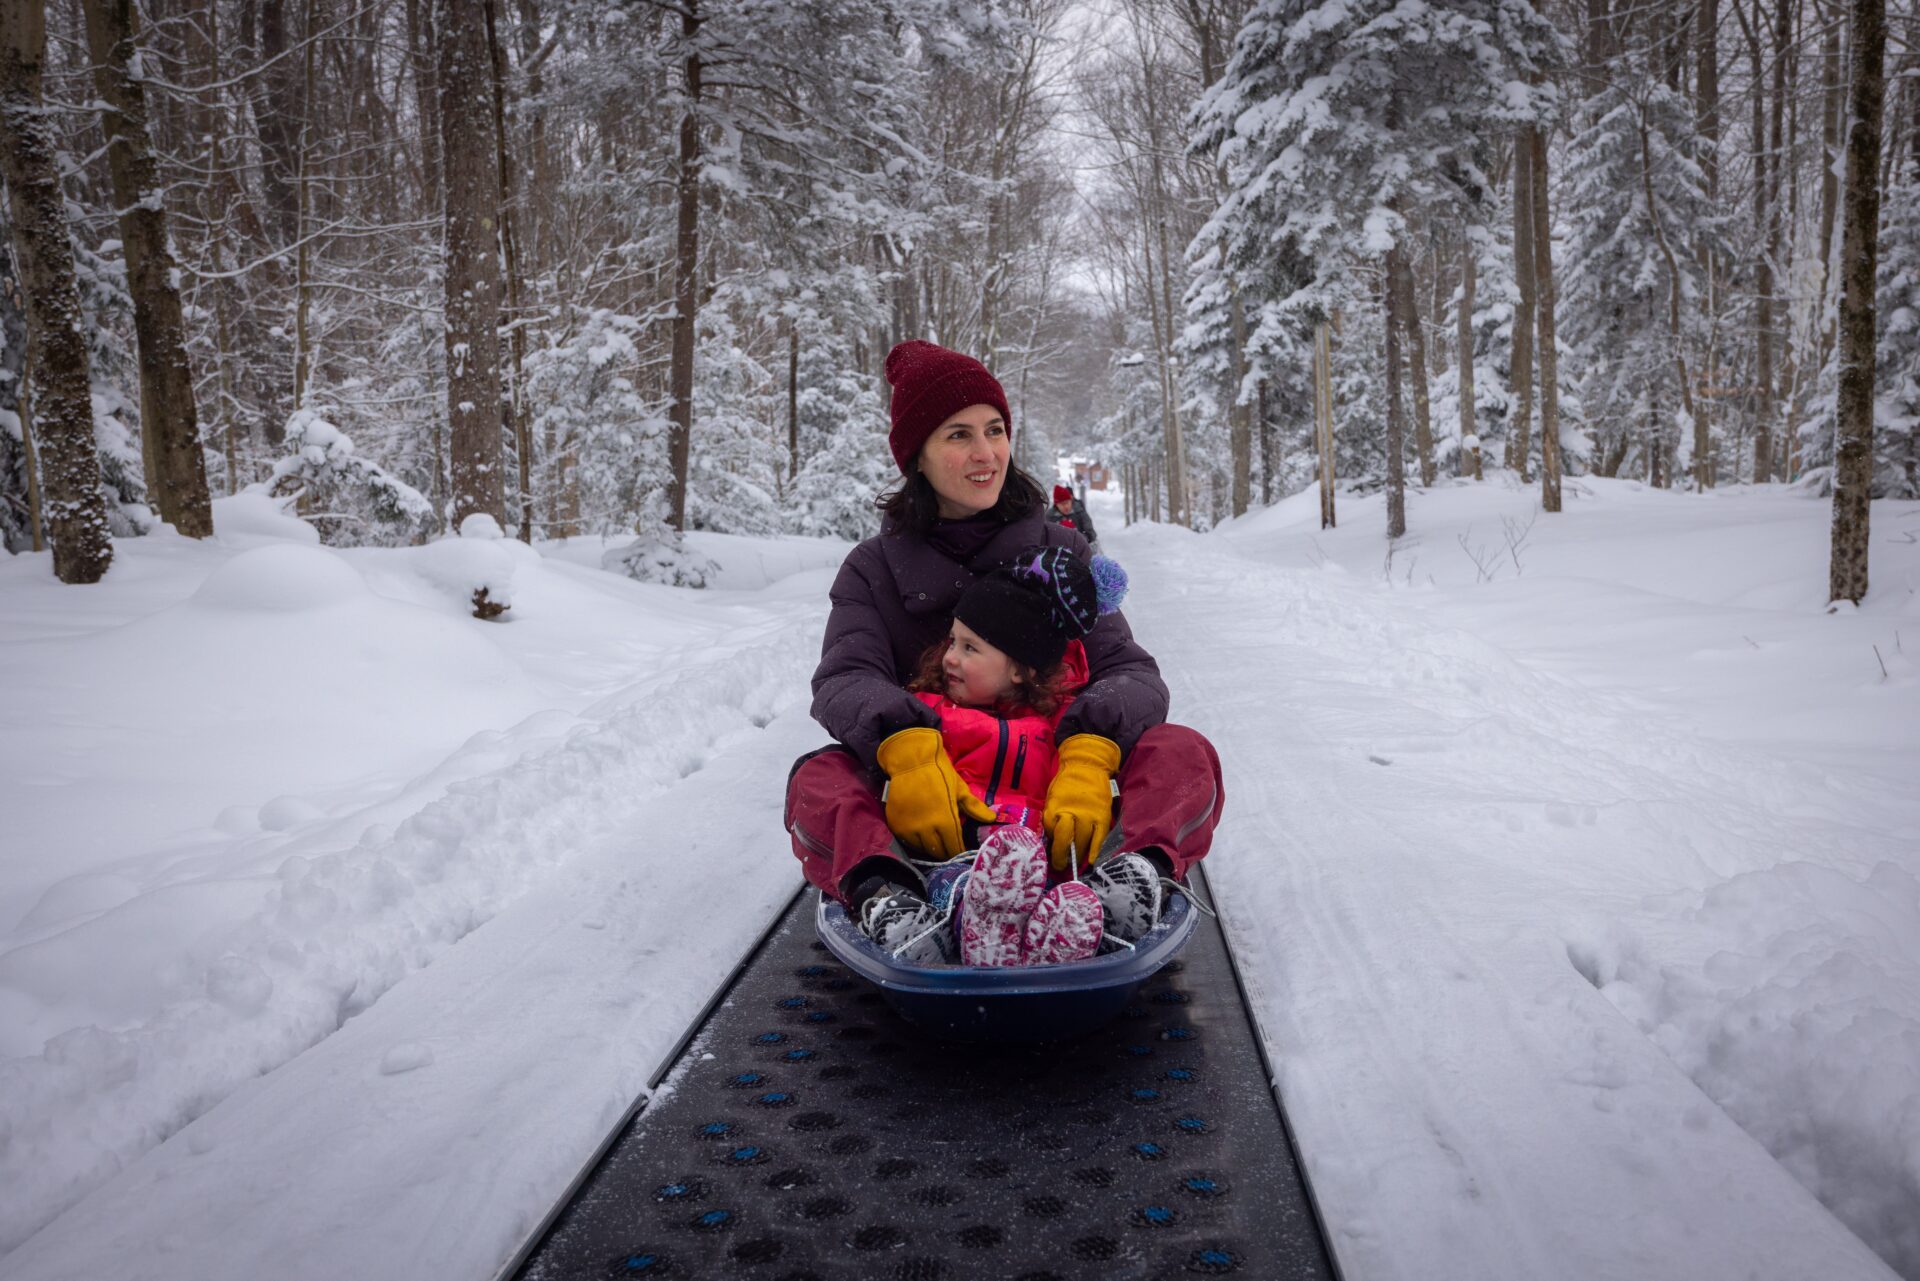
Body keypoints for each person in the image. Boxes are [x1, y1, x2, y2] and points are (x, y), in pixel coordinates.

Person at [783, 339, 1225, 966]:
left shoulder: (1062, 553)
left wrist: (1090, 753)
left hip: (1059, 809)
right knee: (818, 778)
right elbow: (845, 677)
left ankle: (1129, 883)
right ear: (918, 456)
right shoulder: (873, 569)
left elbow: (1129, 671)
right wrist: (905, 750)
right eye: (958, 435)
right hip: (935, 813)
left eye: (995, 430)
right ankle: (889, 897)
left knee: (1182, 753)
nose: (986, 453)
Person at [900, 545, 1128, 967]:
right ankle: (973, 930)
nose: (949, 656)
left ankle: (1049, 951)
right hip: (959, 859)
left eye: (970, 649)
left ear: (1021, 669)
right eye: (953, 641)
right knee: (961, 887)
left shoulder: (1060, 726)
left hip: (1038, 865)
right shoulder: (931, 711)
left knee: (1058, 898)